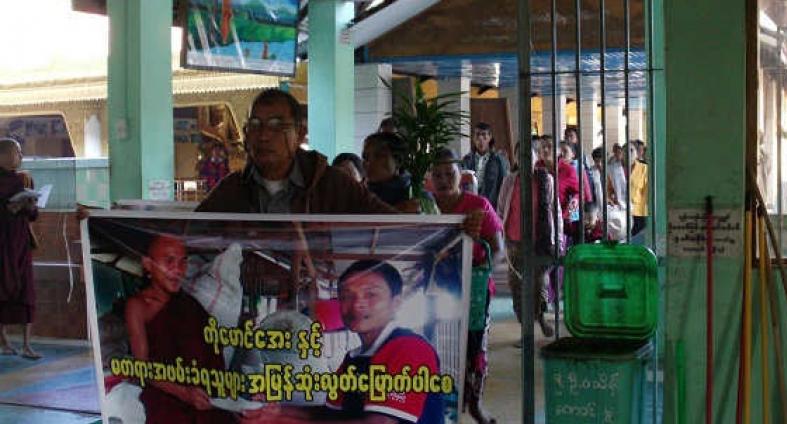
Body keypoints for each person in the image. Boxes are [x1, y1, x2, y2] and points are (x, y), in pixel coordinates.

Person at [240, 260, 444, 424]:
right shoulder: (354, 357)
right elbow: (329, 414)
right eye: (347, 296)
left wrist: (283, 420)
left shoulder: (409, 348)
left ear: (396, 303)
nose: (357, 304)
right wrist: (276, 412)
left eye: (371, 294)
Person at [196, 89, 395, 215]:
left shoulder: (332, 185)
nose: (263, 135)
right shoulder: (231, 190)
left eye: (276, 126)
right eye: (255, 125)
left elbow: (391, 226)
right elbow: (189, 237)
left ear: (300, 134)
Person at [124, 234, 234, 423]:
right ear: (148, 264)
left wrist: (223, 389)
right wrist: (183, 392)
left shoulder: (190, 305)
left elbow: (213, 351)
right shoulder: (139, 306)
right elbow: (142, 367)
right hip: (167, 398)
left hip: (205, 397)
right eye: (169, 261)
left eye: (183, 261)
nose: (178, 270)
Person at [430, 148, 503, 424]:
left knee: (475, 349)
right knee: (438, 345)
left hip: (474, 290)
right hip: (434, 288)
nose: (443, 180)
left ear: (460, 175)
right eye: (437, 175)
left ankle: (476, 403)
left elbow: (498, 249)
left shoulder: (478, 204)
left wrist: (481, 274)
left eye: (449, 174)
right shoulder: (424, 207)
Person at [496, 140, 559, 340]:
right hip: (514, 242)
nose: (524, 160)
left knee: (538, 284)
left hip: (538, 242)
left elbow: (554, 211)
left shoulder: (546, 180)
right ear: (515, 159)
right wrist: (500, 237)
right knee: (516, 286)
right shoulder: (509, 181)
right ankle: (525, 329)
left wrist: (556, 238)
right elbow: (501, 210)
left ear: (535, 157)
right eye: (519, 156)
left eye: (528, 156)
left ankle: (540, 316)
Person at [0, 138, 41, 359]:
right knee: (2, 289)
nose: (20, 156)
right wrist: (9, 209)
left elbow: (32, 216)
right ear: (3, 156)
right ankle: (4, 341)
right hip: (2, 244)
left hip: (21, 242)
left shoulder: (22, 180)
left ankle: (27, 344)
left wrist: (30, 205)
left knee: (27, 291)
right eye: (17, 152)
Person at [362, 132, 436, 214]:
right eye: (365, 157)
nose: (369, 163)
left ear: (398, 161)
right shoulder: (359, 195)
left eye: (379, 156)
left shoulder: (417, 196)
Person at [462, 123, 508, 209]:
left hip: (491, 206)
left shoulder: (498, 160)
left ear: (490, 137)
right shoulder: (466, 160)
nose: (480, 139)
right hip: (470, 205)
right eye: (477, 135)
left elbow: (504, 186)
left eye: (484, 135)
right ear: (473, 138)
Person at [630, 145, 649, 236]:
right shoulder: (617, 168)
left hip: (639, 209)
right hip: (623, 209)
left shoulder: (644, 168)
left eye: (631, 151)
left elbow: (646, 191)